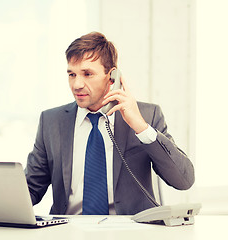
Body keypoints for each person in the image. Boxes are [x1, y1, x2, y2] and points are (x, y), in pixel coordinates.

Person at [25, 32, 195, 215]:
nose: (77, 84)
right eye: (72, 74)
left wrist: (141, 127)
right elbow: (31, 189)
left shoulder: (147, 115)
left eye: (87, 74)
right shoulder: (52, 121)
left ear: (112, 76)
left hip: (129, 230)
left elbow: (183, 180)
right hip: (68, 229)